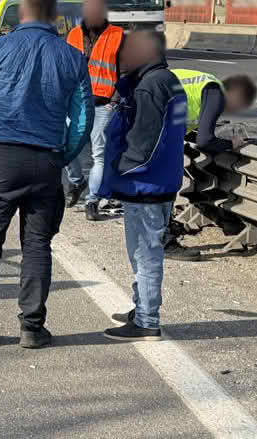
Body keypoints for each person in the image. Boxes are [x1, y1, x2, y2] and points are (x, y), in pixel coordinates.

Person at [0, 0, 92, 350]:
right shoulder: (72, 57)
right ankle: (32, 326)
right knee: (38, 244)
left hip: (1, 157)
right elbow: (82, 119)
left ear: (22, 13)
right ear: (54, 15)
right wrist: (63, 155)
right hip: (46, 159)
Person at [97, 30, 188, 342]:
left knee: (144, 255)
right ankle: (142, 309)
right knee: (144, 253)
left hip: (145, 184)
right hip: (160, 180)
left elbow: (145, 141)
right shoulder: (166, 80)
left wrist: (119, 171)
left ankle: (148, 321)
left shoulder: (150, 86)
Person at [161, 70, 257, 260]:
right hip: (154, 135)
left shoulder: (201, 83)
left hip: (137, 125)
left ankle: (158, 234)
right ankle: (163, 244)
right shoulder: (215, 92)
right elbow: (205, 140)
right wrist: (232, 143)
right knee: (164, 188)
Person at [64, 0, 124, 220]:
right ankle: (77, 182)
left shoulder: (118, 36)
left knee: (99, 154)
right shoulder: (73, 35)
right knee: (65, 146)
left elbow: (126, 72)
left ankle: (92, 200)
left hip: (103, 105)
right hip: (74, 103)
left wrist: (115, 101)